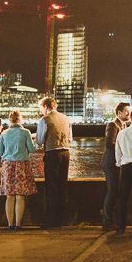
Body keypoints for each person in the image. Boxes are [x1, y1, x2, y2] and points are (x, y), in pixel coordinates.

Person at [36, 97, 73, 229]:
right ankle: (63, 218)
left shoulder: (44, 120)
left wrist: (36, 136)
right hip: (65, 153)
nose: (41, 111)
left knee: (51, 187)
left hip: (52, 153)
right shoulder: (66, 118)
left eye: (41, 108)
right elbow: (70, 138)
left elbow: (40, 141)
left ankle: (51, 220)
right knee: (62, 185)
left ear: (45, 106)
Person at [0, 111, 37, 230]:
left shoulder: (4, 133)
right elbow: (32, 149)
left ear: (10, 120)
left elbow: (0, 152)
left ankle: (10, 224)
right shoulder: (25, 132)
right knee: (20, 195)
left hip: (8, 165)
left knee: (9, 196)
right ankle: (18, 224)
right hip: (22, 165)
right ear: (20, 119)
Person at [101, 102, 130, 231]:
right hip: (111, 162)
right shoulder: (113, 125)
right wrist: (125, 148)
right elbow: (109, 144)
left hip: (118, 162)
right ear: (119, 113)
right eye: (126, 111)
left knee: (116, 192)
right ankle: (107, 221)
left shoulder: (123, 125)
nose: (128, 113)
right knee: (112, 191)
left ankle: (113, 220)